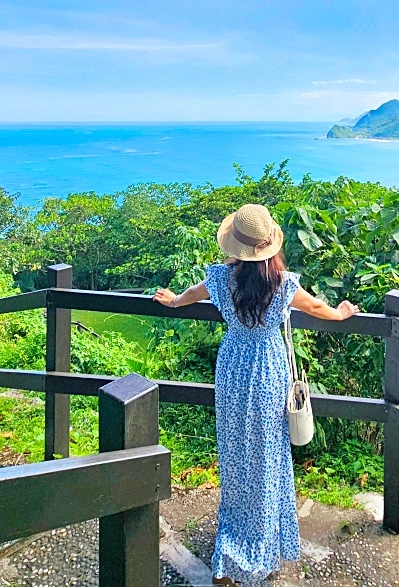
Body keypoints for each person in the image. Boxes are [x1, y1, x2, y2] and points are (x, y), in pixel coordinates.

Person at [154, 203, 359, 585]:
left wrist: (173, 301)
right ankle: (263, 543)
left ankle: (234, 538)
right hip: (268, 371)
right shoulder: (283, 285)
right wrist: (342, 313)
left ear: (236, 246)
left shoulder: (220, 280)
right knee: (268, 455)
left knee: (235, 455)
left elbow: (191, 295)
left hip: (233, 370)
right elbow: (316, 307)